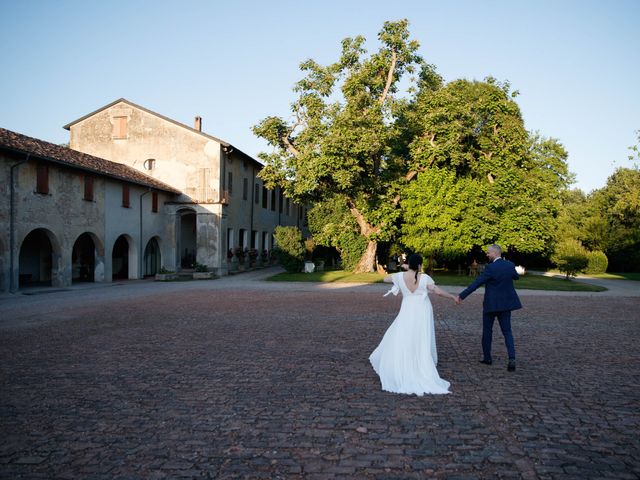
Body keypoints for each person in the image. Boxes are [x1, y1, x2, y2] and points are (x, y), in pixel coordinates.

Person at [370, 253, 457, 395]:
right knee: (420, 336)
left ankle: (404, 363)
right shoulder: (425, 278)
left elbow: (385, 278)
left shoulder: (399, 276)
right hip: (422, 310)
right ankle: (420, 362)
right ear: (420, 265)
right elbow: (437, 291)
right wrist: (452, 296)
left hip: (407, 309)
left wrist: (403, 269)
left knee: (405, 334)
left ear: (408, 264)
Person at [456, 244, 521, 371]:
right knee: (507, 331)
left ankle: (487, 358)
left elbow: (477, 283)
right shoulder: (509, 265)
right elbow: (516, 276)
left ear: (495, 253)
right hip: (506, 305)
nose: (487, 254)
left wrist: (461, 296)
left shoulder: (490, 268)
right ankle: (512, 358)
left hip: (491, 305)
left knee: (487, 331)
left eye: (488, 253)